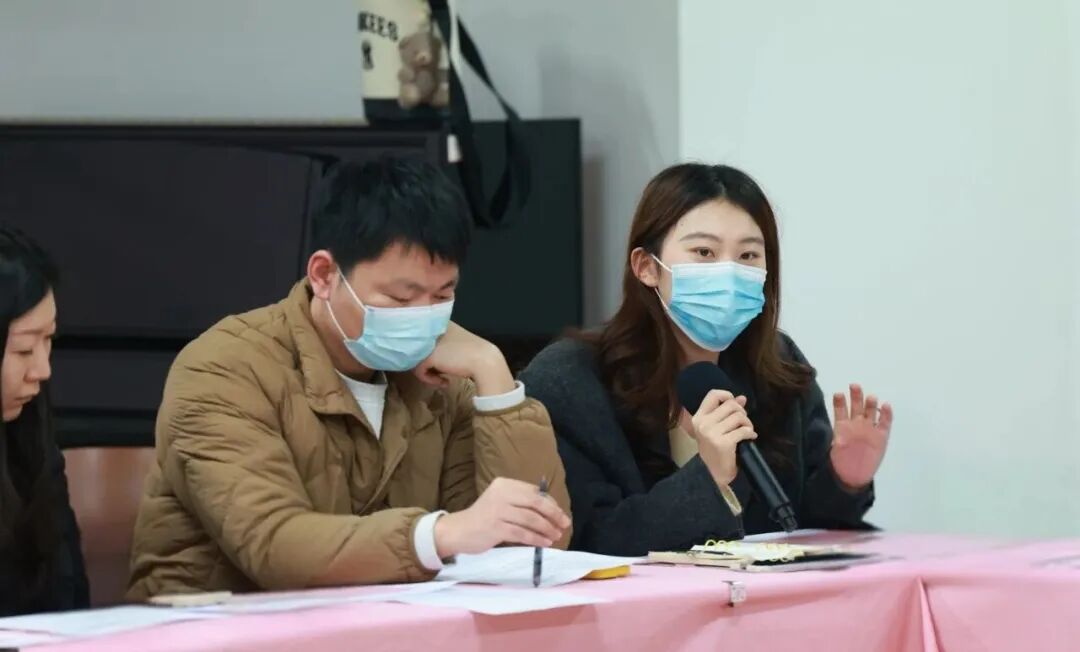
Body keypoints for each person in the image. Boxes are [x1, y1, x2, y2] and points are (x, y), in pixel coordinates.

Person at [127, 157, 571, 600]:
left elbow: (532, 547)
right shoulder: (223, 368)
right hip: (222, 624)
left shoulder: (445, 376)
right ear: (324, 275)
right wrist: (439, 535)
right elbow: (274, 545)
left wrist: (493, 376)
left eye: (442, 294)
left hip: (387, 623)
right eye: (401, 297)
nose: (422, 317)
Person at [520, 163, 893, 556]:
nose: (728, 272)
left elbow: (799, 528)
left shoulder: (778, 367)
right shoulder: (570, 379)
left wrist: (844, 481)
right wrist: (709, 476)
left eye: (748, 255)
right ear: (647, 267)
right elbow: (587, 539)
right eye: (704, 252)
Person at [0, 226, 89, 615]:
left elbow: (68, 594)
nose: (42, 369)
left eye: (48, 339)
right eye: (23, 349)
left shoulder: (31, 435)